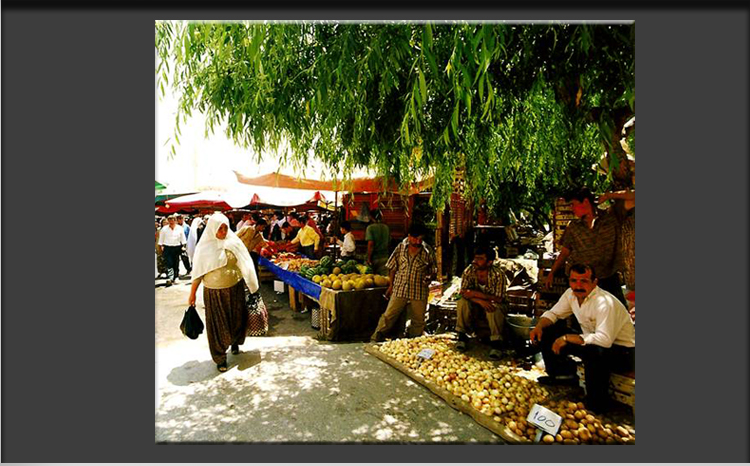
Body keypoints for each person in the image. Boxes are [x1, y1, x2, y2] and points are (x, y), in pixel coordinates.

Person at [530, 263, 635, 413]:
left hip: (623, 352)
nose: (578, 286)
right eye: (574, 281)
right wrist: (539, 326)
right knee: (548, 331)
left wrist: (566, 338)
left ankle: (597, 403)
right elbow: (553, 314)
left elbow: (604, 340)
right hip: (593, 341)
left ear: (594, 282)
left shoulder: (604, 302)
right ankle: (561, 375)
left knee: (595, 352)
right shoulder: (571, 294)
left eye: (584, 281)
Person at [188, 213, 260, 372]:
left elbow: (245, 263)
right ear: (212, 228)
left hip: (236, 289)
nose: (223, 231)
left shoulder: (234, 242)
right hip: (215, 294)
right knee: (218, 325)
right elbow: (198, 273)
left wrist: (252, 285)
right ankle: (220, 357)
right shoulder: (204, 247)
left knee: (236, 319)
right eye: (219, 228)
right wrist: (192, 294)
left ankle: (234, 343)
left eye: (225, 228)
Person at [544, 188, 626, 305]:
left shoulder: (611, 217)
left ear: (586, 202)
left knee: (616, 315)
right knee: (583, 318)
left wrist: (609, 195)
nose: (572, 209)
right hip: (582, 282)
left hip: (608, 279)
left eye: (573, 204)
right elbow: (565, 252)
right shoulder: (573, 227)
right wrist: (552, 273)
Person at [370, 224, 437, 342]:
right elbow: (392, 267)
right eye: (415, 239)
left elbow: (433, 270)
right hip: (400, 287)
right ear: (409, 236)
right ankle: (376, 337)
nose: (418, 242)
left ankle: (413, 341)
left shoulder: (427, 251)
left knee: (418, 319)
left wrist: (429, 278)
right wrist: (391, 285)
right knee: (389, 315)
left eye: (420, 239)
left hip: (419, 289)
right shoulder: (400, 247)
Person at [455, 244, 509, 359]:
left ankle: (496, 343)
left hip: (497, 304)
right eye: (475, 258)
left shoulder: (498, 275)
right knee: (462, 301)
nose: (475, 261)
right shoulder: (469, 271)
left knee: (493, 307)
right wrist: (480, 300)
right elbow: (463, 292)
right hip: (476, 304)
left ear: (489, 262)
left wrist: (474, 294)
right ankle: (462, 335)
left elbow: (498, 298)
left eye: (480, 259)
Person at [158, 215, 187, 286]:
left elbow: (183, 239)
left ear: (175, 220)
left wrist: (183, 247)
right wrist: (160, 249)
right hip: (167, 248)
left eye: (172, 220)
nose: (171, 221)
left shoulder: (180, 228)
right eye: (169, 220)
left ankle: (176, 277)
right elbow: (161, 240)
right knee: (169, 263)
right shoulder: (164, 229)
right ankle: (170, 278)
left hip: (177, 247)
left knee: (176, 263)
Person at [365, 209, 391, 276]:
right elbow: (389, 242)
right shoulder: (386, 227)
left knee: (374, 279)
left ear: (371, 217)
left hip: (375, 258)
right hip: (385, 257)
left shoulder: (370, 228)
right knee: (384, 280)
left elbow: (370, 244)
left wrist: (368, 258)